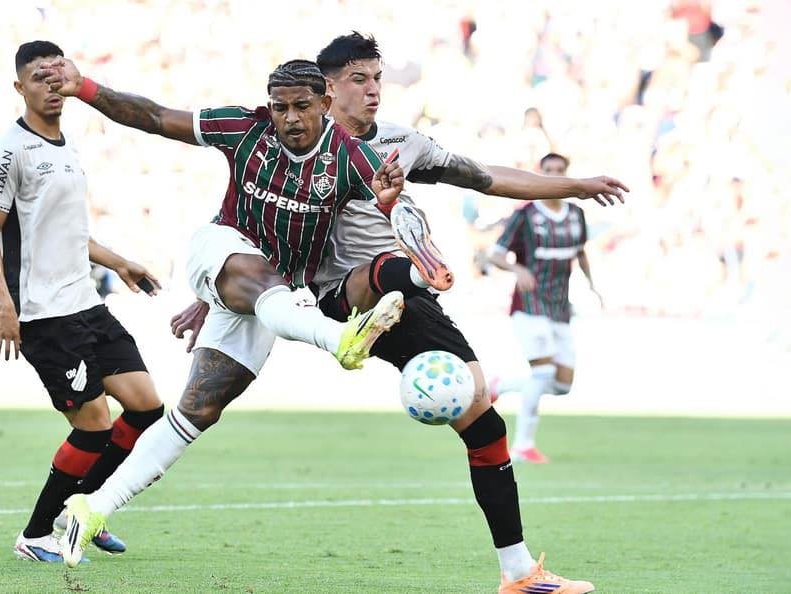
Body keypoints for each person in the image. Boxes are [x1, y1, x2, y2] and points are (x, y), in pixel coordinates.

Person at [172, 33, 627, 593]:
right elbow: (247, 223)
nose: (374, 90)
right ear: (328, 86)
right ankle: (517, 572)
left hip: (404, 297)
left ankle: (516, 570)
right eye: (360, 78)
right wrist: (212, 294)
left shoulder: (398, 144)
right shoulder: (286, 143)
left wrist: (575, 185)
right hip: (348, 291)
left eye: (378, 79)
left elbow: (485, 176)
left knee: (480, 416)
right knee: (471, 404)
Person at [32, 57, 407, 566]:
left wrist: (394, 210)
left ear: (324, 104)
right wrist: (87, 89)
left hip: (273, 301)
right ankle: (339, 339)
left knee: (196, 413)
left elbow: (396, 210)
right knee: (267, 283)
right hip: (222, 249)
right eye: (280, 108)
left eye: (301, 106)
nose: (290, 118)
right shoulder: (244, 127)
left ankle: (91, 509)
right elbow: (154, 116)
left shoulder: (353, 157)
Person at [0, 41, 167, 562]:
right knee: (94, 424)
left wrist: (117, 260)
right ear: (21, 88)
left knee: (148, 406)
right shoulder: (8, 152)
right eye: (40, 77)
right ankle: (35, 535)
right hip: (44, 316)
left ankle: (88, 506)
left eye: (58, 74)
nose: (52, 85)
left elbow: (66, 233)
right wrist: (3, 306)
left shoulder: (66, 146)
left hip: (86, 305)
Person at [489, 152, 601, 465]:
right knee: (542, 374)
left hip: (560, 307)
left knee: (563, 385)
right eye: (547, 170)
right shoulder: (525, 214)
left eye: (559, 170)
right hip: (529, 305)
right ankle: (523, 445)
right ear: (540, 174)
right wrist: (517, 270)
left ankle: (502, 385)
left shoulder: (576, 214)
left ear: (567, 173)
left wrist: (593, 286)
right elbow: (495, 255)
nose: (553, 174)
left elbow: (580, 253)